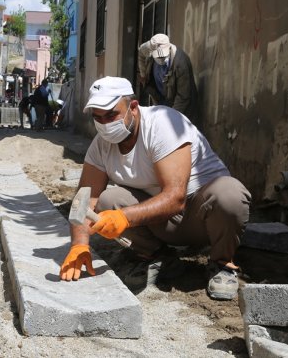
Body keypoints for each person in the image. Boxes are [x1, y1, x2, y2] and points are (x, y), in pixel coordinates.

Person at [59, 76, 251, 300]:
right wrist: (79, 245)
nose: (105, 124)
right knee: (108, 200)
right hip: (160, 222)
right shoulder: (101, 146)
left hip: (202, 218)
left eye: (112, 114)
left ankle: (222, 264)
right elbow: (85, 199)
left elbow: (175, 198)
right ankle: (158, 257)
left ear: (133, 106)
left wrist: (124, 218)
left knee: (229, 194)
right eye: (98, 118)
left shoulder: (163, 124)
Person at [137, 34, 199, 127]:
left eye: (163, 56)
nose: (161, 59)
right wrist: (143, 74)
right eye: (158, 57)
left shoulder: (181, 63)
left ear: (169, 48)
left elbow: (183, 98)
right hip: (161, 98)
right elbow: (141, 52)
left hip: (180, 105)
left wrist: (170, 119)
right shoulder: (149, 46)